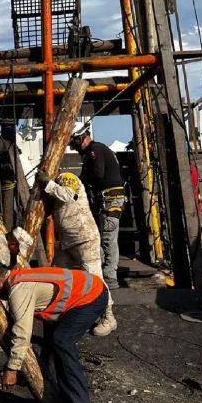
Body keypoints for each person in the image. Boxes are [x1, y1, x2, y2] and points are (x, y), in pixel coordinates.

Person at [0, 259, 108, 403]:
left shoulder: (19, 290)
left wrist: (12, 368)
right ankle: (50, 380)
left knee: (62, 341)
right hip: (85, 291)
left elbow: (22, 332)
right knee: (52, 339)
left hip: (91, 296)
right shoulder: (19, 276)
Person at [35, 170, 117, 336]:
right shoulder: (55, 186)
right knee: (60, 275)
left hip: (84, 237)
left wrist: (47, 183)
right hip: (67, 242)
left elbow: (67, 195)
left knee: (94, 278)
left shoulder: (67, 178)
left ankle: (108, 317)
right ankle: (65, 313)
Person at [69, 124, 126, 290]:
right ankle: (100, 275)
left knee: (108, 238)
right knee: (100, 237)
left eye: (75, 144)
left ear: (81, 138)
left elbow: (98, 174)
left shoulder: (96, 150)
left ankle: (110, 278)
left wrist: (80, 183)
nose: (76, 149)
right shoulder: (92, 152)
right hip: (105, 200)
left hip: (110, 200)